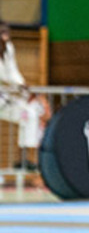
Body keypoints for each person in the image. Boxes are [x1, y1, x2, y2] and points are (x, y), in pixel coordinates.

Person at [0, 23, 47, 169]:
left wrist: (24, 87)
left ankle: (24, 159)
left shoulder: (8, 48)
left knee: (30, 113)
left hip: (5, 98)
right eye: (2, 31)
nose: (6, 34)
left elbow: (12, 72)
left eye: (7, 31)